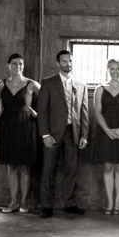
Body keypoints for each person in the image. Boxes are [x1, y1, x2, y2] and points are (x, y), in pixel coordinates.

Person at [37, 50, 89, 218]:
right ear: (58, 63)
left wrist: (84, 135)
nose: (68, 64)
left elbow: (84, 113)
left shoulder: (81, 85)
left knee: (71, 171)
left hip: (72, 134)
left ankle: (70, 204)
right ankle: (46, 206)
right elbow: (42, 111)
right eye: (64, 61)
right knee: (48, 171)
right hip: (52, 134)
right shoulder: (48, 83)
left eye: (70, 61)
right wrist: (44, 134)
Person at [0, 53, 40, 214]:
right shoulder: (1, 84)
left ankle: (24, 202)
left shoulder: (32, 84)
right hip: (8, 125)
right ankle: (13, 201)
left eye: (20, 64)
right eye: (14, 64)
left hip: (26, 126)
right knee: (11, 166)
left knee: (24, 167)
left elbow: (45, 107)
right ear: (8, 66)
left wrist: (34, 112)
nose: (17, 67)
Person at [91, 59, 119, 215]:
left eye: (117, 68)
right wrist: (107, 130)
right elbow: (97, 112)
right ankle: (109, 202)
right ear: (107, 70)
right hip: (105, 132)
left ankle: (118, 202)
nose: (115, 71)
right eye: (112, 69)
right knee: (108, 166)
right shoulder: (100, 89)